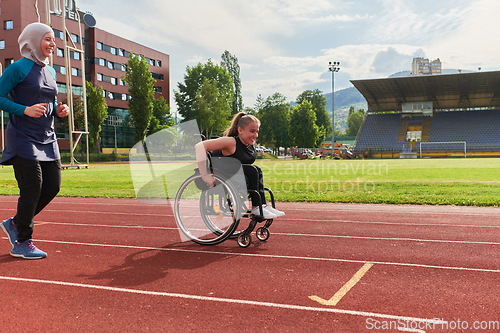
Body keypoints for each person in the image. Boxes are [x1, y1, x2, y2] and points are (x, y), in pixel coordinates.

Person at [0, 22, 70, 259]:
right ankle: (22, 241)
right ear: (33, 40)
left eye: (54, 40)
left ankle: (15, 223)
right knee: (33, 187)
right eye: (48, 39)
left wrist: (58, 111)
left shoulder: (51, 72)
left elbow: (49, 103)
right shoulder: (18, 68)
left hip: (47, 138)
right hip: (22, 137)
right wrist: (24, 110)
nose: (53, 44)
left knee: (53, 186)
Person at [195, 112, 285, 219]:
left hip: (235, 176)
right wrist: (205, 175)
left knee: (257, 170)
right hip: (222, 174)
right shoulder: (231, 142)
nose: (255, 135)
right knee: (252, 170)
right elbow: (199, 146)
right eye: (252, 131)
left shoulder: (249, 145)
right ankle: (256, 207)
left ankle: (263, 205)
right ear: (240, 130)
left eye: (257, 132)